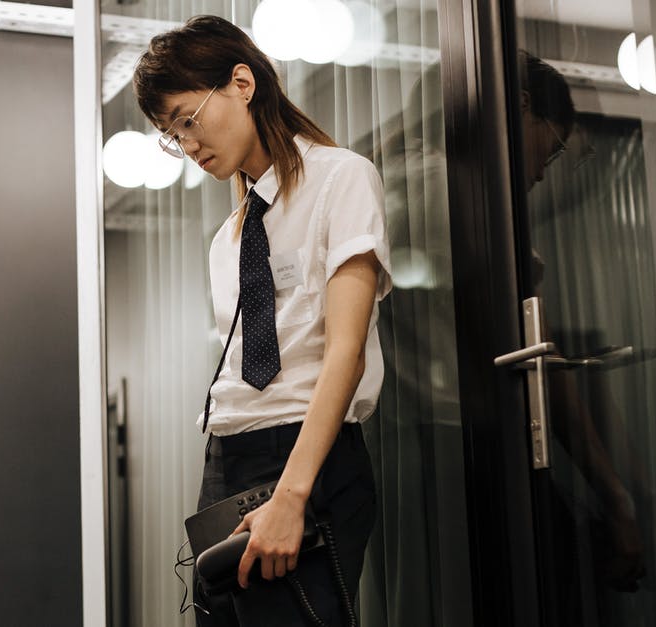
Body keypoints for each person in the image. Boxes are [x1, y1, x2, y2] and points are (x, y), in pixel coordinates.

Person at [133, 15, 392, 626]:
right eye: (171, 135)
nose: (187, 145)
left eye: (187, 120)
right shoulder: (228, 237)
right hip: (227, 458)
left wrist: (292, 495)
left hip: (304, 454)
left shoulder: (340, 179)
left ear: (242, 84)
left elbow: (346, 351)